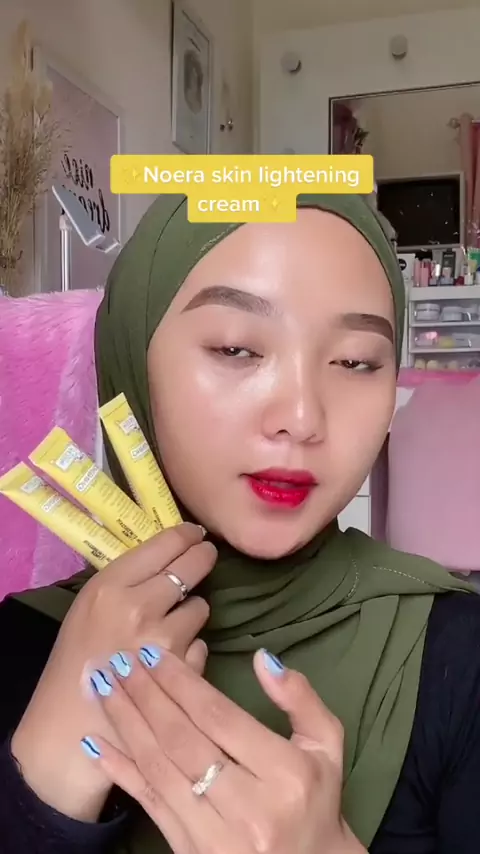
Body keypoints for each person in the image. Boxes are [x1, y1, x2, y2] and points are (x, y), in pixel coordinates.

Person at [1, 193, 479, 854]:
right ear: (131, 357)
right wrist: (37, 792)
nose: (302, 418)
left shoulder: (458, 656)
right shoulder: (23, 644)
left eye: (355, 362)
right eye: (236, 348)